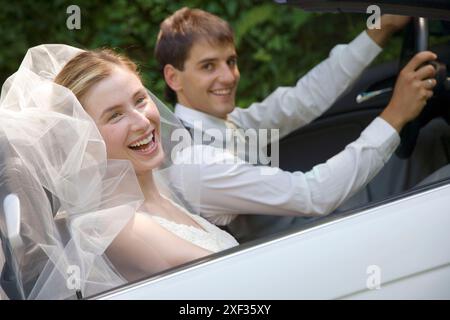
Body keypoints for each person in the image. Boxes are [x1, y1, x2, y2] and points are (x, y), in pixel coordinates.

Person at [155, 8, 438, 242]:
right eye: (208, 66)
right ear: (173, 78)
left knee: (435, 138)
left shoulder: (224, 122)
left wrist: (381, 28)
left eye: (231, 61)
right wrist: (395, 115)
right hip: (327, 237)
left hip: (330, 217)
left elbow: (304, 99)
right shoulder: (200, 163)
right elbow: (314, 195)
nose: (229, 77)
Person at [0, 44, 238, 299]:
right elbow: (234, 280)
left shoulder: (163, 196)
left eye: (140, 100)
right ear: (81, 139)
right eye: (115, 116)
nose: (143, 122)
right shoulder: (110, 226)